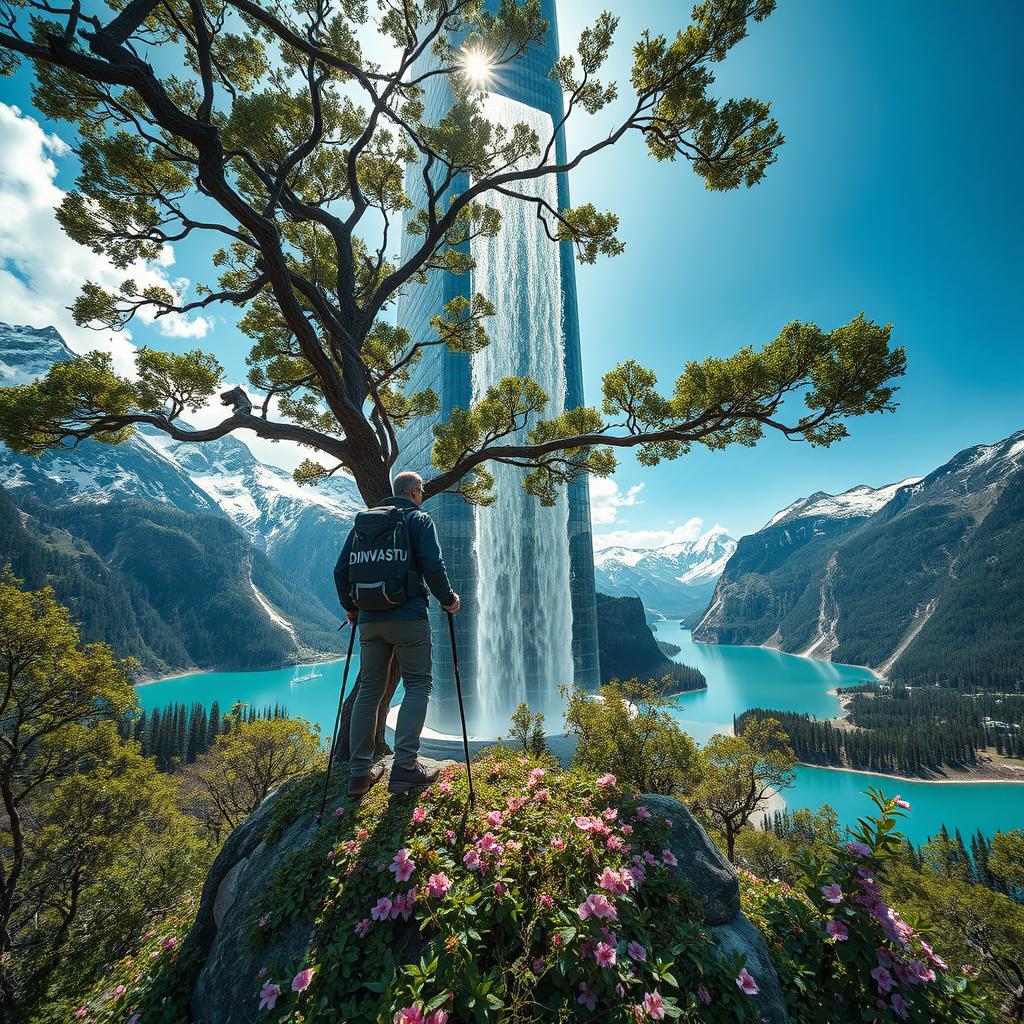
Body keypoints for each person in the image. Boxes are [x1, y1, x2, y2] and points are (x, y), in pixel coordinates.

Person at [334, 471, 461, 796]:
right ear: (415, 492)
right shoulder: (418, 520)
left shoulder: (363, 523)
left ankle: (359, 774)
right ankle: (405, 766)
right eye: (422, 492)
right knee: (418, 685)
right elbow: (433, 566)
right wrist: (448, 601)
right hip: (408, 618)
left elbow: (340, 570)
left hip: (370, 621)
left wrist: (351, 607)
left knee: (369, 691)